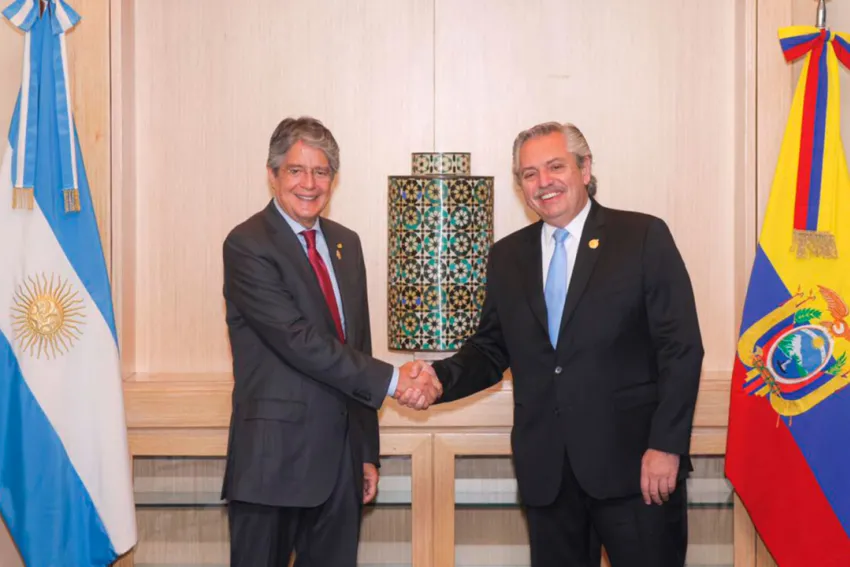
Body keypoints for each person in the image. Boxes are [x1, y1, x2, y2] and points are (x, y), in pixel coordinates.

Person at [402, 121, 704, 566]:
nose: (544, 182)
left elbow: (681, 349)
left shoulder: (642, 237)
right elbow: (490, 349)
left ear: (585, 169)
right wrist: (437, 378)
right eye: (529, 173)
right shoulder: (507, 256)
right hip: (548, 474)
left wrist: (666, 445)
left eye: (555, 166)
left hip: (637, 469)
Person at [221, 116, 440, 567]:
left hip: (340, 465)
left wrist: (365, 452)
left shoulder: (345, 243)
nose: (309, 184)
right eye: (296, 170)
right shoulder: (247, 244)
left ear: (333, 179)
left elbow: (356, 344)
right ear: (273, 174)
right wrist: (395, 380)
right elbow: (298, 340)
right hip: (272, 463)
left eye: (321, 172)